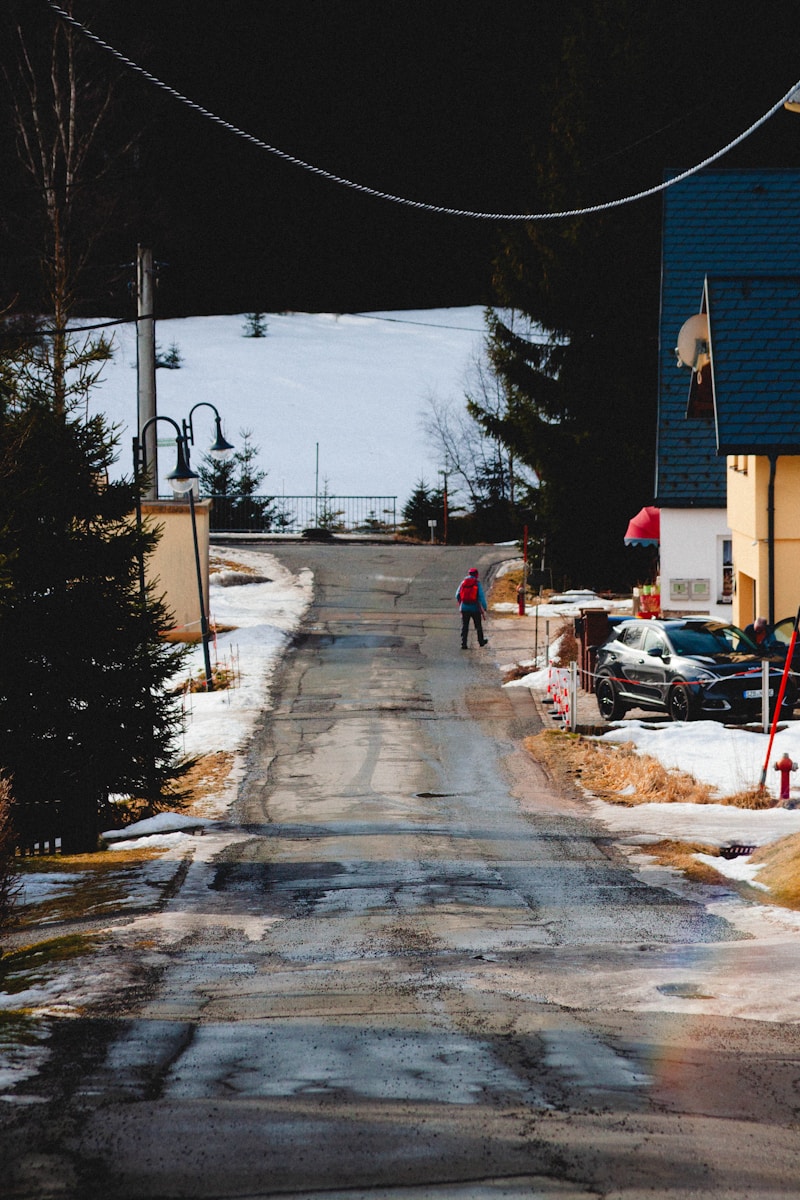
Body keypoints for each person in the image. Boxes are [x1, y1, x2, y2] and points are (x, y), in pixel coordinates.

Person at [456, 567, 488, 649]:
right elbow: (481, 596)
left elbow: (457, 594)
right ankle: (481, 642)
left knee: (465, 626)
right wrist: (484, 607)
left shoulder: (463, 582)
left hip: (464, 608)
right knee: (478, 625)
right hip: (475, 608)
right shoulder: (477, 583)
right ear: (476, 575)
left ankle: (463, 643)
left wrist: (461, 603)